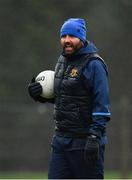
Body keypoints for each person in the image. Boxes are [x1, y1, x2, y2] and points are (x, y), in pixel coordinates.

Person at [28, 18, 111, 179]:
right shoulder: (62, 61)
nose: (67, 40)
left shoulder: (94, 64)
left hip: (85, 143)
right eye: (63, 36)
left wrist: (94, 137)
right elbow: (65, 98)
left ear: (81, 38)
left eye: (71, 36)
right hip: (61, 142)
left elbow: (102, 106)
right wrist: (41, 96)